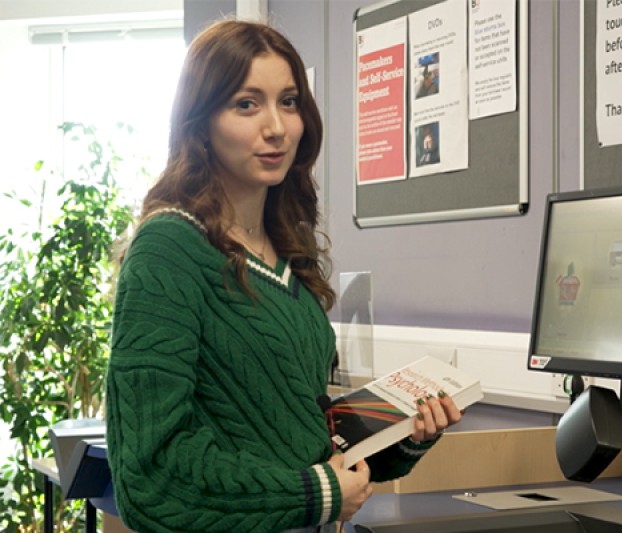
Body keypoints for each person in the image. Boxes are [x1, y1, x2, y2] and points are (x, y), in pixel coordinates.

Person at [105, 19, 463, 533]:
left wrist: (405, 432)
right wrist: (315, 493)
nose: (275, 127)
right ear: (200, 120)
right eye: (246, 104)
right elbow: (151, 474)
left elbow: (306, 440)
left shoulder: (284, 249)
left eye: (289, 101)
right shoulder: (169, 248)